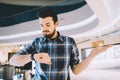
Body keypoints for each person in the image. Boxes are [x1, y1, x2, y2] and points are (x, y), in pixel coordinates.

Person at [9, 7, 111, 80]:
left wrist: (91, 56)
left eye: (48, 25)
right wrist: (33, 56)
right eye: (41, 25)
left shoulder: (69, 42)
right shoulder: (36, 42)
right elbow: (13, 61)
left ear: (56, 24)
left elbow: (76, 71)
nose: (44, 29)